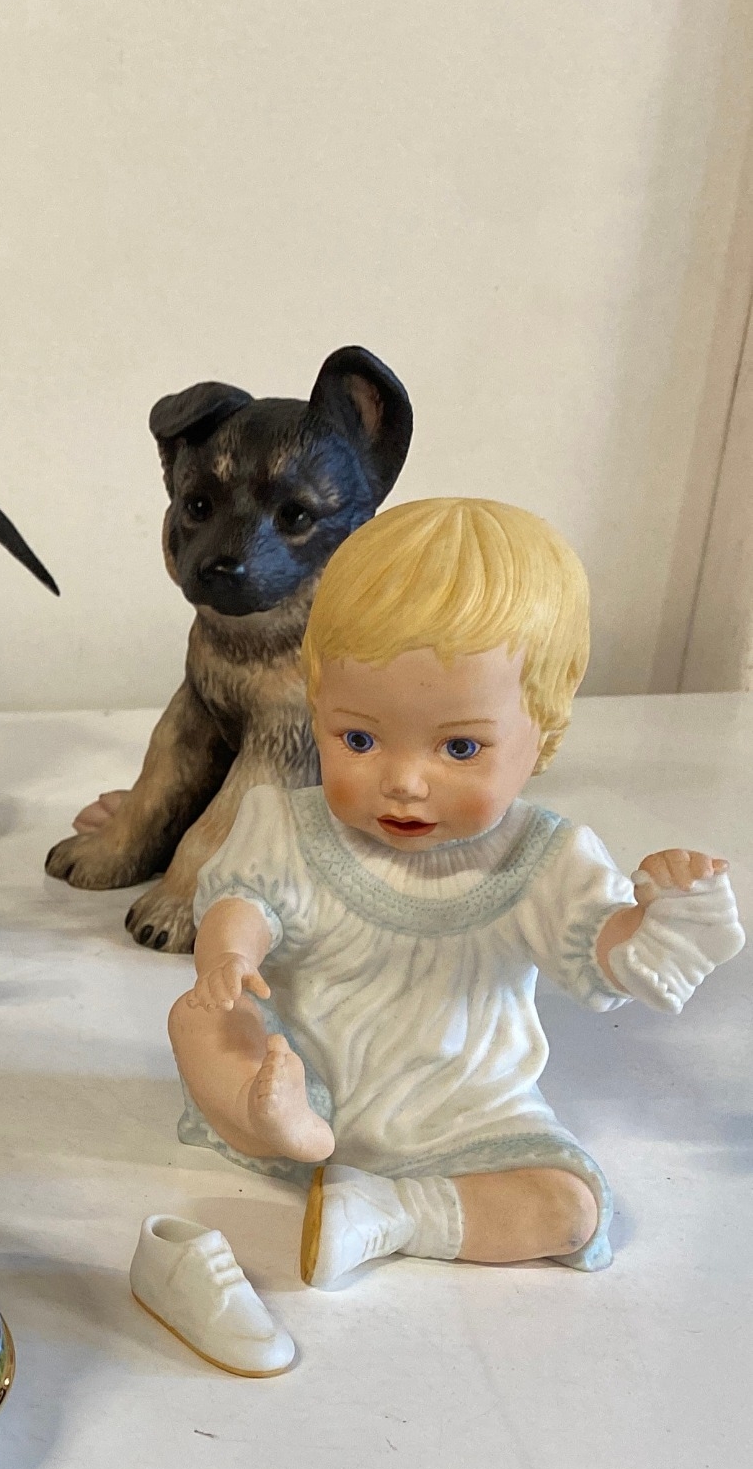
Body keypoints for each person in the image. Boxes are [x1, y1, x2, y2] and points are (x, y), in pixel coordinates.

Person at [167, 497, 741, 1287]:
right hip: (300, 1067)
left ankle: (393, 1213)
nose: (404, 780)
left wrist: (660, 915)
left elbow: (607, 955)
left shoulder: (546, 860)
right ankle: (279, 1125)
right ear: (317, 705)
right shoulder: (289, 827)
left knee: (571, 1208)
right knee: (202, 1019)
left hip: (466, 1109)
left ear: (543, 733)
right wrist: (229, 956)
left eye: (460, 747)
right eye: (359, 738)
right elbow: (244, 902)